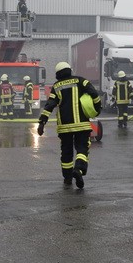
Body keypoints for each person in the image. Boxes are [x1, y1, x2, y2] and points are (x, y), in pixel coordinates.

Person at [37, 61, 101, 189]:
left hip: (64, 127)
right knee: (82, 148)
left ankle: (67, 178)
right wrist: (97, 108)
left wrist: (42, 122)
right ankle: (78, 169)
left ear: (57, 74)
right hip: (82, 124)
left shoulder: (56, 86)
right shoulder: (81, 81)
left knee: (66, 152)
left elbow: (50, 105)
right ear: (69, 70)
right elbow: (94, 94)